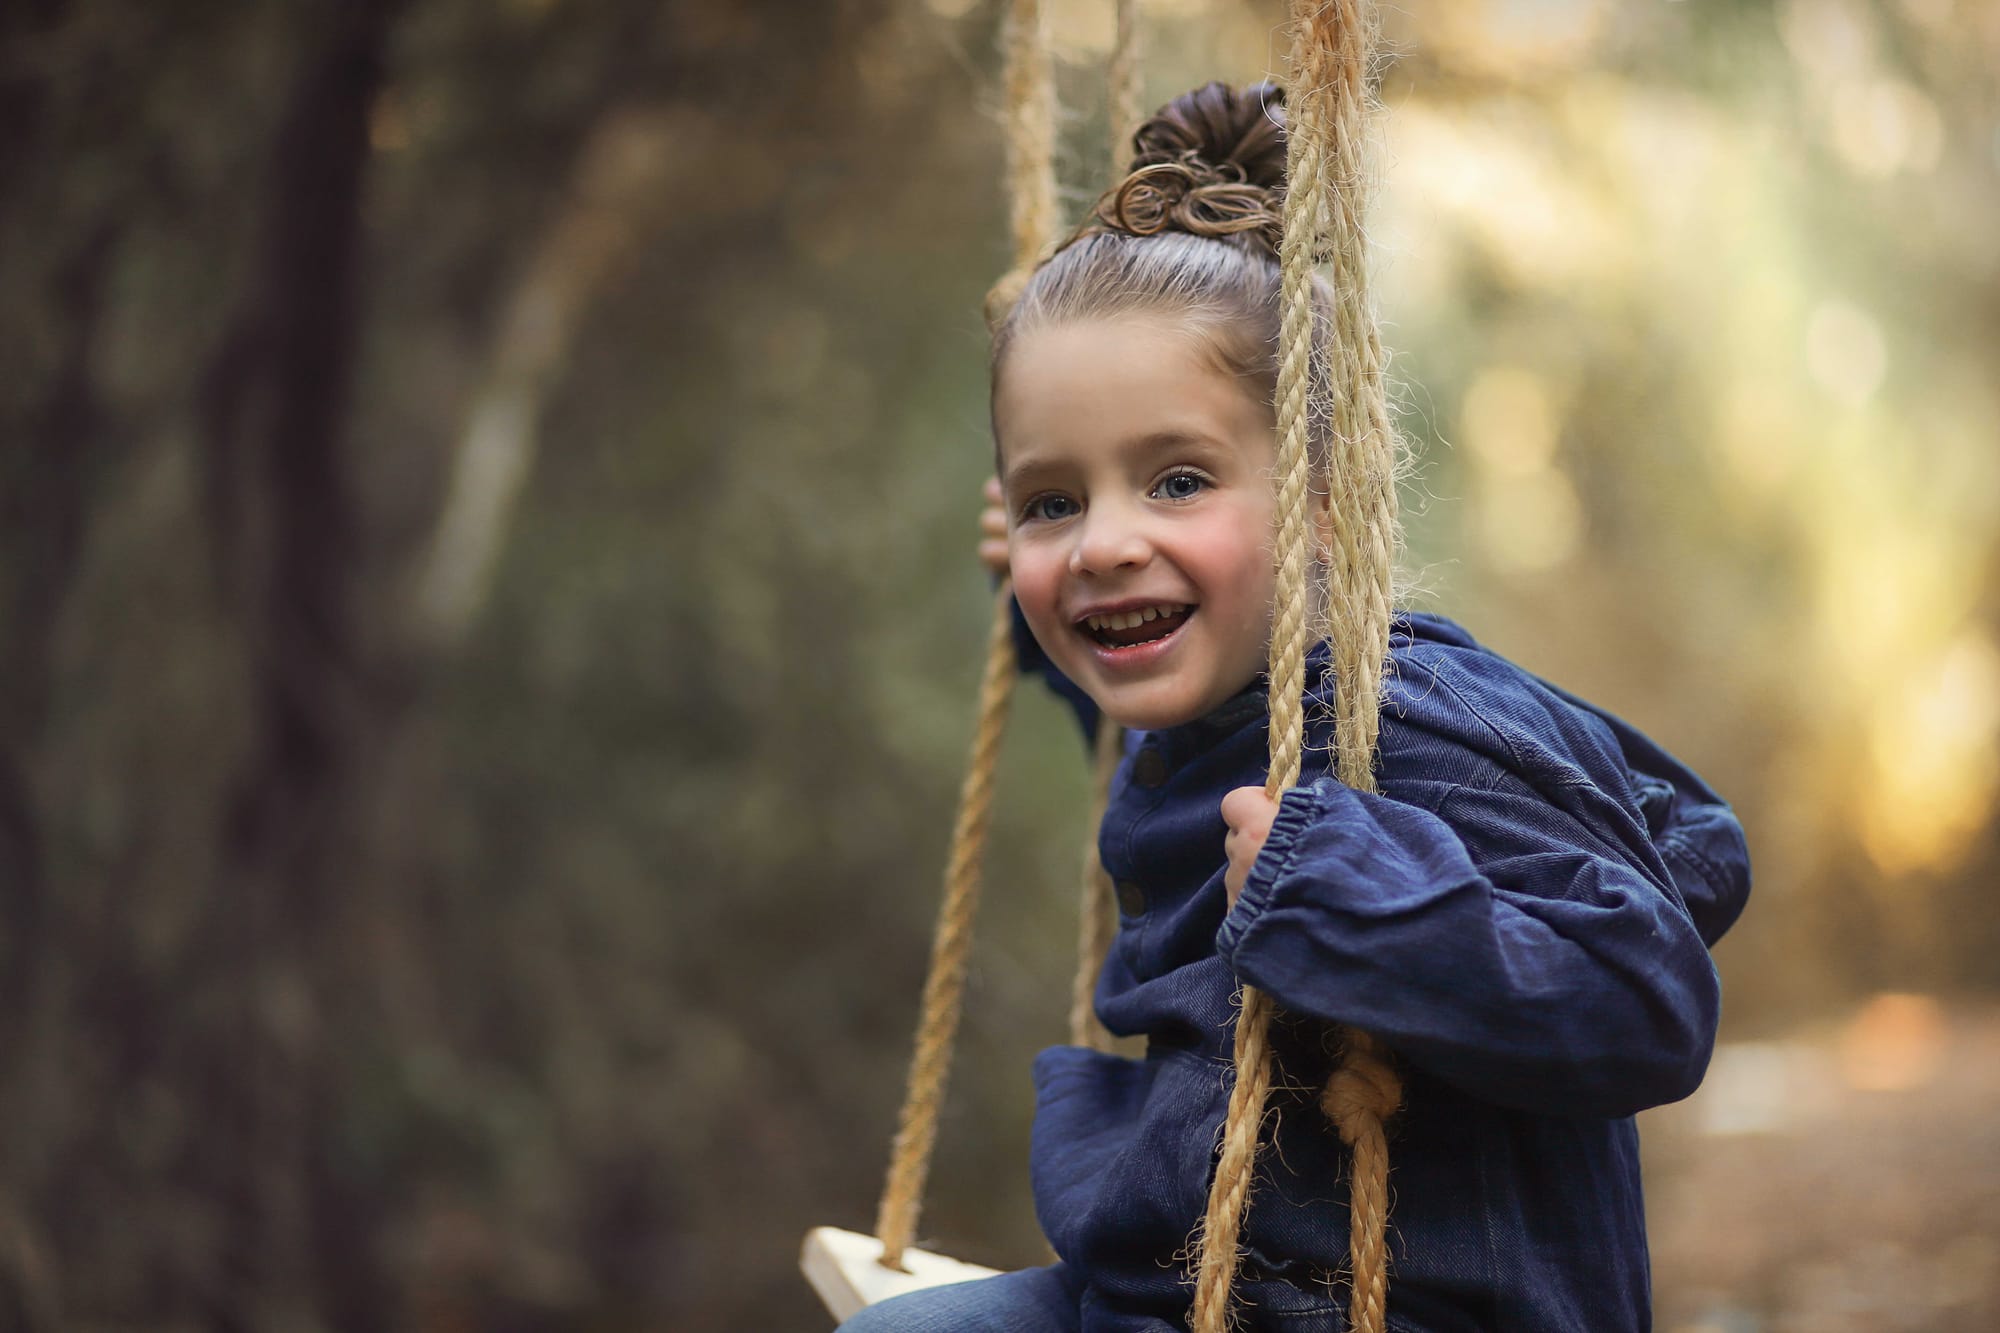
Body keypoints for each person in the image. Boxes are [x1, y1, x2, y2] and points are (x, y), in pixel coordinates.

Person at [840, 80, 1751, 1333]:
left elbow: (1647, 1002)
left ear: (1322, 506)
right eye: (1053, 501)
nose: (1101, 543)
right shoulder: (1217, 714)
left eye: (1174, 480)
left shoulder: (1415, 723)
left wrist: (1352, 895)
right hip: (1193, 1291)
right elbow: (1162, 749)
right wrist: (1041, 629)